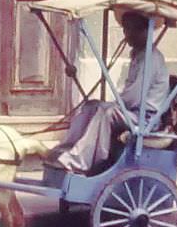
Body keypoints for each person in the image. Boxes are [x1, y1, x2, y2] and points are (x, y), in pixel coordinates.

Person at [49, 11, 169, 173]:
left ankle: (79, 161)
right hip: (133, 112)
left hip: (145, 118)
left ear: (144, 31)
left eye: (131, 30)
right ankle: (66, 150)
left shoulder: (150, 58)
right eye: (126, 30)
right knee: (91, 105)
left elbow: (134, 96)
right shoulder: (139, 55)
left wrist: (112, 104)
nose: (127, 35)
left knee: (106, 112)